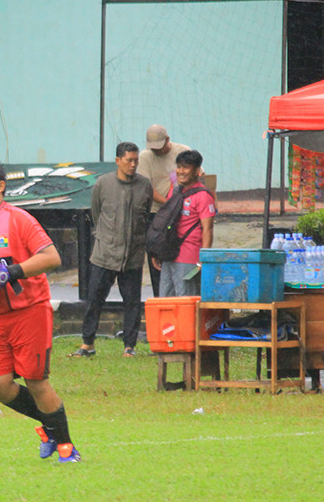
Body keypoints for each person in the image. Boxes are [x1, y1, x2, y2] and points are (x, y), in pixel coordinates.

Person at [0, 158, 81, 463]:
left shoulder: (19, 219)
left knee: (36, 381)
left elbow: (52, 257)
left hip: (30, 311)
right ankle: (50, 426)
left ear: (1, 186)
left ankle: (66, 447)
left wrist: (10, 272)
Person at [73, 141, 152, 358]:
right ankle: (87, 344)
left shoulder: (145, 185)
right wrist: (106, 238)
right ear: (118, 161)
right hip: (104, 255)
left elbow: (144, 216)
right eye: (129, 160)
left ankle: (129, 346)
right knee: (94, 300)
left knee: (132, 303)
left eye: (136, 160)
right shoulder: (102, 183)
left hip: (133, 256)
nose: (133, 165)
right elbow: (97, 214)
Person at [151, 149, 216, 297]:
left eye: (186, 167)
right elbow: (166, 223)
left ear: (197, 170)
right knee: (166, 300)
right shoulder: (174, 192)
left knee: (186, 302)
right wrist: (157, 251)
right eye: (179, 167)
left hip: (189, 258)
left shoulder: (203, 196)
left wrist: (204, 259)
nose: (181, 171)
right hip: (169, 255)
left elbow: (208, 229)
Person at [137, 124, 191, 296]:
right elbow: (146, 187)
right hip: (157, 214)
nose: (157, 152)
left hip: (181, 213)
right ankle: (160, 297)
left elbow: (198, 177)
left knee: (181, 257)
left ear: (167, 140)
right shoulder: (145, 157)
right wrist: (168, 203)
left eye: (159, 148)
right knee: (157, 258)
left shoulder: (182, 151)